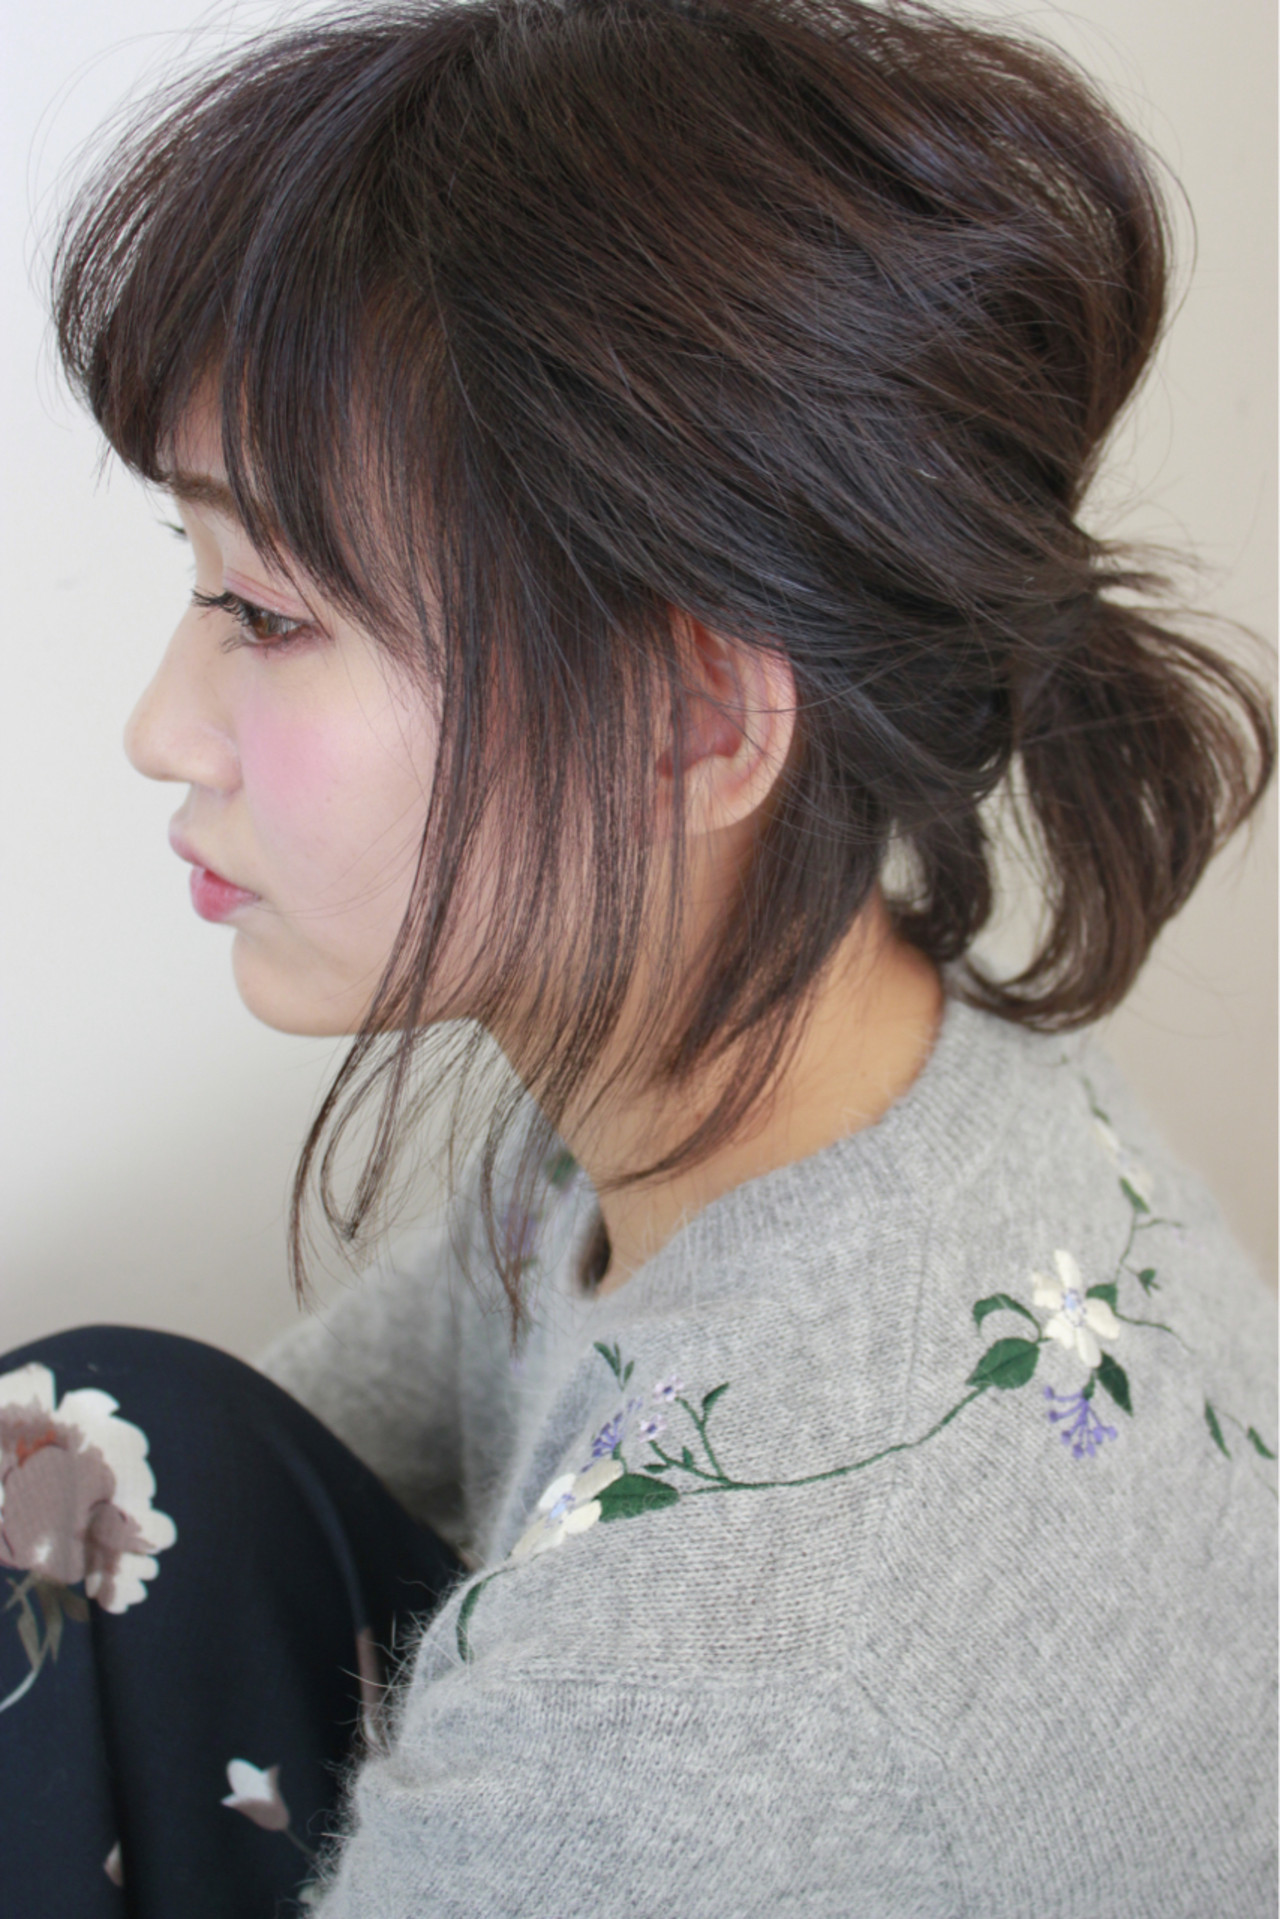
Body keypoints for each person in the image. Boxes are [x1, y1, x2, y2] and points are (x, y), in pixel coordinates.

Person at [2, 0, 1275, 1911]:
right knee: (92, 1442)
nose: (160, 731)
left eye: (263, 612)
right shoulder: (778, 1058)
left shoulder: (718, 1711)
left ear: (689, 725)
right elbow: (300, 1439)